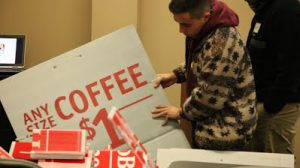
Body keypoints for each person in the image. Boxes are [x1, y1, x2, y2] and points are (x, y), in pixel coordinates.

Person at [152, 0, 257, 150]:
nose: (181, 30)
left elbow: (210, 96)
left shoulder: (222, 43)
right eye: (178, 23)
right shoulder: (208, 30)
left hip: (227, 134)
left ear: (206, 16)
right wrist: (176, 75)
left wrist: (181, 112)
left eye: (186, 24)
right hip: (215, 128)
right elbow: (202, 62)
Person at [244, 0, 300, 154]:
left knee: (275, 159)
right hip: (262, 103)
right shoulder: (264, 10)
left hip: (278, 106)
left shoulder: (286, 10)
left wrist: (271, 105)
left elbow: (292, 63)